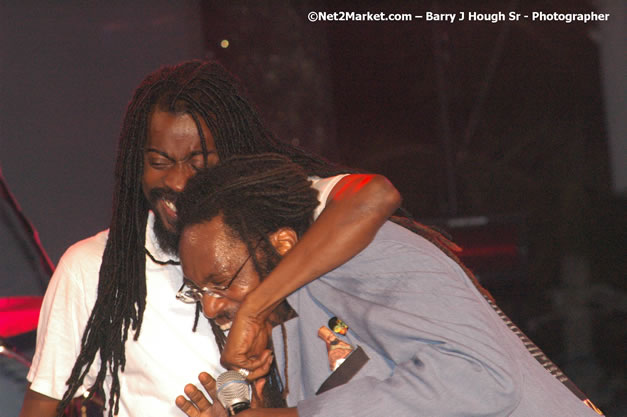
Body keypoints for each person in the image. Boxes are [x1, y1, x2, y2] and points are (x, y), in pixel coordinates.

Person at [20, 61, 401, 417]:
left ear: (234, 157)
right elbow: (43, 403)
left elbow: (375, 196)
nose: (179, 181)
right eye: (159, 162)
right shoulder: (95, 268)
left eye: (200, 162)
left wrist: (255, 309)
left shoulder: (281, 214)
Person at [174, 154, 604, 417]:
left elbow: (481, 380)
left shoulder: (361, 253)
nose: (210, 308)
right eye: (197, 291)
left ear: (283, 243)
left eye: (219, 283)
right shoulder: (287, 322)